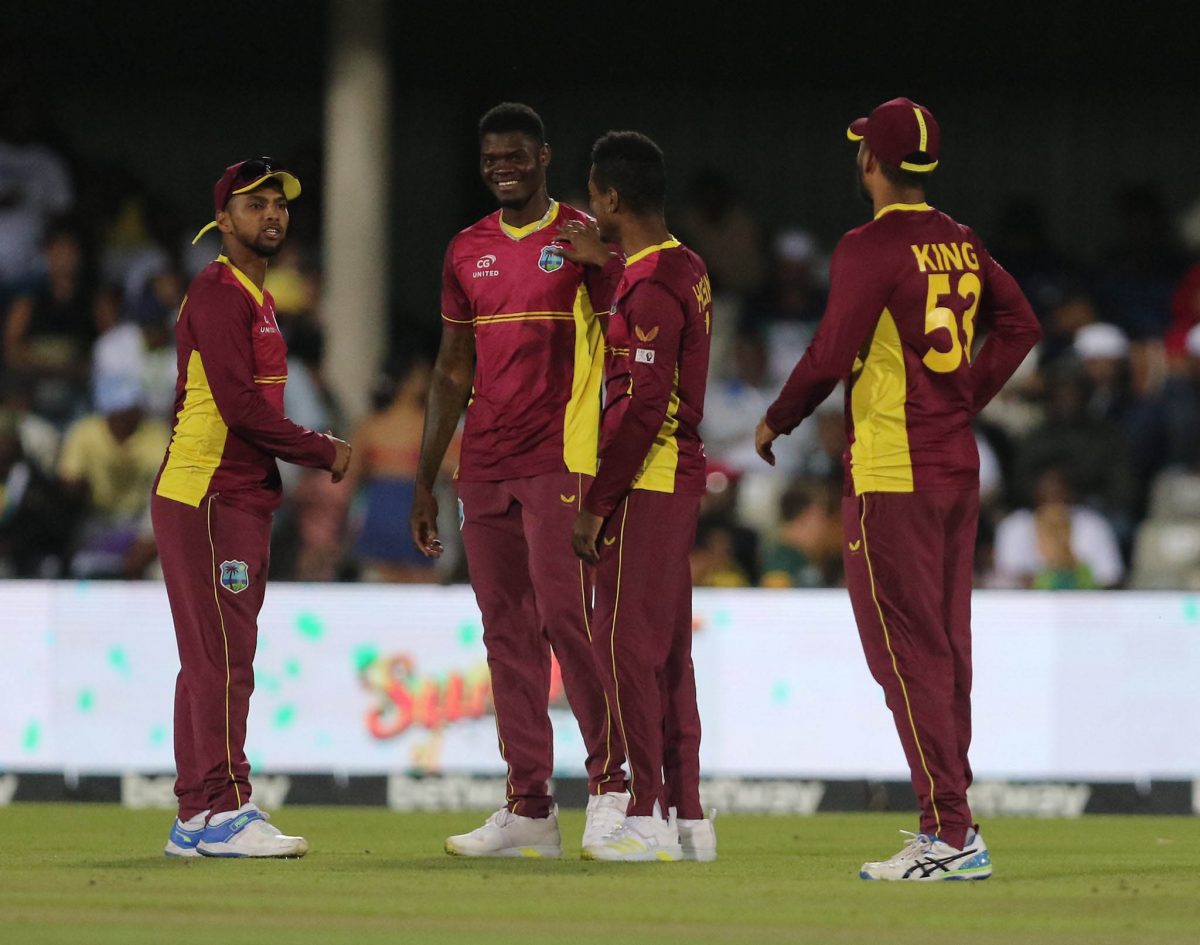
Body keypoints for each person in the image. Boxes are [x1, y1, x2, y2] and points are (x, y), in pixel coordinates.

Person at [755, 98, 1041, 881]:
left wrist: (775, 420)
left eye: (861, 151)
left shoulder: (869, 246)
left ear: (873, 162)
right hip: (955, 463)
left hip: (893, 468)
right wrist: (963, 400)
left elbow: (829, 352)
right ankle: (955, 818)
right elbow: (1021, 326)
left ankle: (949, 831)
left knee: (904, 655)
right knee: (945, 648)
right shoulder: (960, 240)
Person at [410, 103, 629, 858]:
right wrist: (424, 478)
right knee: (505, 634)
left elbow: (637, 325)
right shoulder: (466, 249)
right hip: (484, 463)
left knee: (568, 621)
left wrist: (611, 267)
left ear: (544, 155)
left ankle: (613, 787)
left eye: (515, 155)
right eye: (490, 157)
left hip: (560, 457)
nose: (502, 166)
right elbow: (450, 369)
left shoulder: (579, 236)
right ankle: (529, 808)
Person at [150, 158, 351, 858]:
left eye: (279, 204)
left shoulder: (256, 297)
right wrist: (320, 448)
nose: (272, 214)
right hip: (208, 492)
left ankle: (193, 816)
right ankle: (228, 808)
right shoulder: (217, 291)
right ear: (224, 218)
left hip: (228, 494)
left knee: (210, 657)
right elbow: (238, 406)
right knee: (223, 657)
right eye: (255, 203)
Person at [569, 130, 716, 863]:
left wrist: (597, 501)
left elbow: (644, 404)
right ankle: (687, 813)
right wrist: (613, 262)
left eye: (592, 196)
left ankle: (645, 812)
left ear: (611, 198)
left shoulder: (652, 285)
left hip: (647, 478)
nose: (589, 208)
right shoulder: (681, 265)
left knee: (624, 645)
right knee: (665, 655)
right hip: (672, 477)